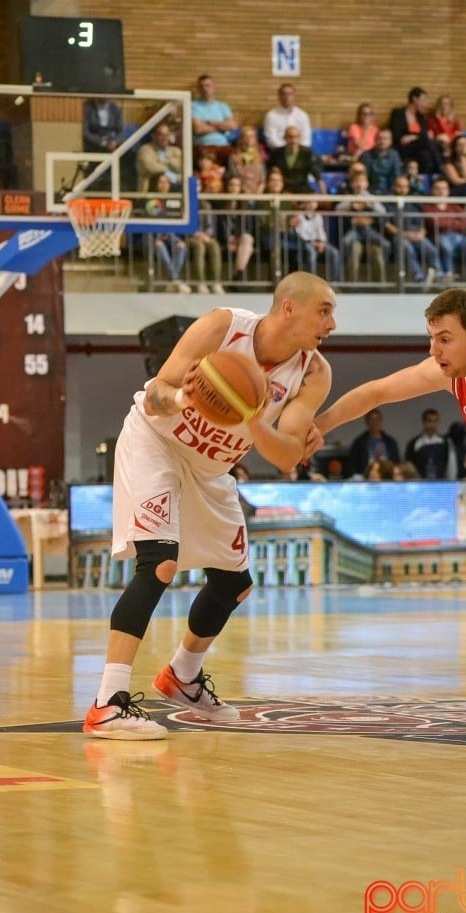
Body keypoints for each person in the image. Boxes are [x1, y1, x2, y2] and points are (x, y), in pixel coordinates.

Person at [82, 271, 337, 739]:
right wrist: (186, 396)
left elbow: (284, 457)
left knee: (235, 583)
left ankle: (181, 676)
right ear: (289, 308)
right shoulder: (224, 327)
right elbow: (158, 394)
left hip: (211, 468)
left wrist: (253, 414)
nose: (332, 323)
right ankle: (106, 703)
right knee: (159, 564)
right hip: (156, 442)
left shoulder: (314, 372)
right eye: (324, 310)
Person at [314, 287, 466, 743]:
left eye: (444, 339)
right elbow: (377, 392)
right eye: (431, 337)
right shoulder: (452, 374)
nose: (433, 350)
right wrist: (318, 426)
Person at [383, 174, 440, 287]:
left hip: (415, 235)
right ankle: (419, 277)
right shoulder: (387, 204)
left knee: (430, 248)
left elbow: (422, 224)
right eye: (399, 186)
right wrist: (406, 234)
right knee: (408, 249)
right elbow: (388, 226)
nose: (402, 189)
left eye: (405, 186)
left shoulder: (413, 204)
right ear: (394, 187)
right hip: (399, 236)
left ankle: (440, 275)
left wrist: (421, 233)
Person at [336, 169, 390, 283]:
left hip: (369, 231)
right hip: (354, 230)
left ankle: (381, 285)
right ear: (352, 184)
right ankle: (348, 277)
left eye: (362, 181)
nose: (359, 184)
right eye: (356, 181)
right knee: (346, 243)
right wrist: (352, 205)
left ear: (367, 184)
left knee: (385, 245)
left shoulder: (371, 197)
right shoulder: (350, 197)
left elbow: (382, 211)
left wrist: (370, 205)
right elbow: (338, 208)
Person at [148, 174, 191, 293]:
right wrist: (158, 236)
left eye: (166, 182)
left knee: (181, 246)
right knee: (159, 245)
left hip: (173, 236)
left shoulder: (176, 200)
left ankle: (173, 279)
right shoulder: (151, 201)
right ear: (156, 185)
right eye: (161, 182)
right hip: (156, 236)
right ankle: (175, 279)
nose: (163, 185)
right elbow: (148, 221)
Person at [389, 86, 443, 175]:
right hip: (404, 148)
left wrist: (413, 137)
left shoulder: (421, 117)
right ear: (414, 99)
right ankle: (441, 168)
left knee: (425, 155)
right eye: (424, 100)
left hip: (419, 148)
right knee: (427, 142)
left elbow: (426, 135)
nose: (426, 104)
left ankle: (427, 180)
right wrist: (418, 138)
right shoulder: (398, 113)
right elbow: (397, 136)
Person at [289, 198, 341, 282]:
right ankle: (312, 281)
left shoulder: (318, 216)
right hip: (305, 242)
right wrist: (313, 243)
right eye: (309, 202)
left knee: (334, 252)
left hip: (319, 242)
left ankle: (333, 281)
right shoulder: (299, 216)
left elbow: (320, 231)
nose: (311, 204)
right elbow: (301, 232)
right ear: (305, 203)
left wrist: (322, 242)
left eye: (313, 202)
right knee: (312, 253)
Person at [267, 126, 326, 195]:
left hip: (302, 189)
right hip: (284, 190)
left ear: (300, 138)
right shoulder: (277, 153)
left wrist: (324, 193)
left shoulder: (307, 153)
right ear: (284, 138)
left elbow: (316, 175)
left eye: (296, 137)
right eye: (290, 137)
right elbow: (271, 173)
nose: (293, 140)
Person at [191, 74, 237, 158]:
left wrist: (210, 122)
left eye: (208, 86)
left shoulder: (223, 106)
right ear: (198, 89)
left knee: (237, 158)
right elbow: (198, 129)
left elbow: (233, 126)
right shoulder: (194, 106)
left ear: (214, 87)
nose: (205, 89)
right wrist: (221, 128)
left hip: (223, 145)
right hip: (203, 146)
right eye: (202, 86)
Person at [345, 407, 399, 478]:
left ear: (381, 421)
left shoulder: (390, 442)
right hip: (366, 477)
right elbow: (352, 464)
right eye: (372, 420)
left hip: (388, 477)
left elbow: (396, 462)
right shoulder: (359, 443)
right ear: (367, 422)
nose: (375, 422)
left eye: (377, 419)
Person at [404, 407, 455, 478]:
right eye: (429, 420)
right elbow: (409, 465)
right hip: (420, 482)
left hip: (441, 482)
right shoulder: (414, 443)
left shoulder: (445, 442)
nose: (432, 424)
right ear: (424, 422)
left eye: (435, 420)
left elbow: (450, 465)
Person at [263, 83, 312, 151]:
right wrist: (286, 150)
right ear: (279, 96)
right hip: (278, 153)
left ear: (294, 96)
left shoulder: (302, 115)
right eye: (284, 94)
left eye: (290, 94)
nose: (287, 97)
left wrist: (296, 151)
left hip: (299, 152)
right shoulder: (271, 115)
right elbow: (271, 139)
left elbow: (306, 139)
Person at [136, 122, 182, 193]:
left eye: (167, 135)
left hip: (174, 193)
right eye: (161, 135)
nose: (165, 138)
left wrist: (162, 163)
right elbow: (149, 166)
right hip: (149, 194)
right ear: (153, 136)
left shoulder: (176, 151)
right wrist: (167, 172)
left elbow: (182, 168)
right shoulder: (145, 150)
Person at [360, 128, 402, 195]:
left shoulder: (394, 155)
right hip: (370, 192)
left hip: (390, 193)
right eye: (379, 138)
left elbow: (397, 175)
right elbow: (364, 176)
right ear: (375, 140)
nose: (382, 141)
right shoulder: (366, 155)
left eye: (385, 139)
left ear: (390, 141)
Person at [226, 125, 267, 195]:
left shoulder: (260, 157)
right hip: (241, 193)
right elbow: (235, 177)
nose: (248, 139)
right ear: (241, 139)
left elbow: (263, 179)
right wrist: (245, 191)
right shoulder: (234, 158)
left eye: (251, 136)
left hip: (258, 193)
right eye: (246, 136)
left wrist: (258, 193)